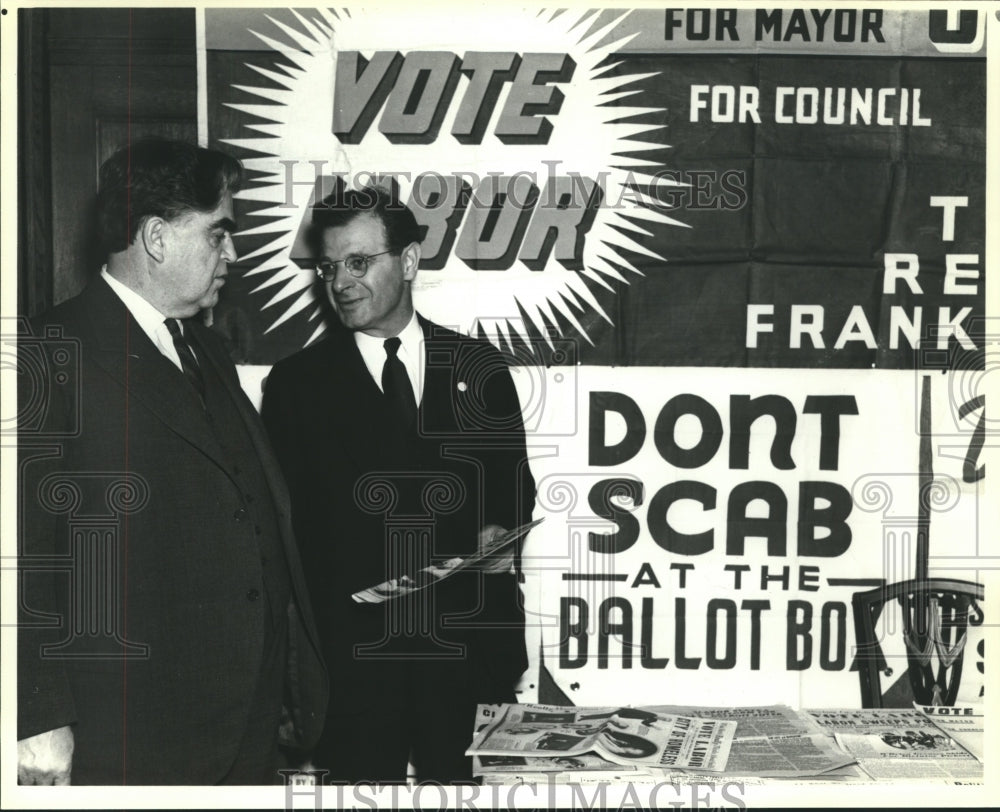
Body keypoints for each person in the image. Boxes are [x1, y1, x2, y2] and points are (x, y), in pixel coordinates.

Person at [16, 138, 328, 785]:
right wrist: (37, 720)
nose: (232, 255)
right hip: (137, 734)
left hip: (243, 725)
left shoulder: (205, 349)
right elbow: (21, 557)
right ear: (156, 238)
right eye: (219, 235)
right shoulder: (48, 354)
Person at [261, 184, 536, 783]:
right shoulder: (294, 386)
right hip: (355, 666)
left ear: (408, 261)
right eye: (331, 267)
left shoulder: (479, 368)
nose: (340, 283)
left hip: (466, 655)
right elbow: (285, 531)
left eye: (359, 263)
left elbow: (515, 486)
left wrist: (501, 535)